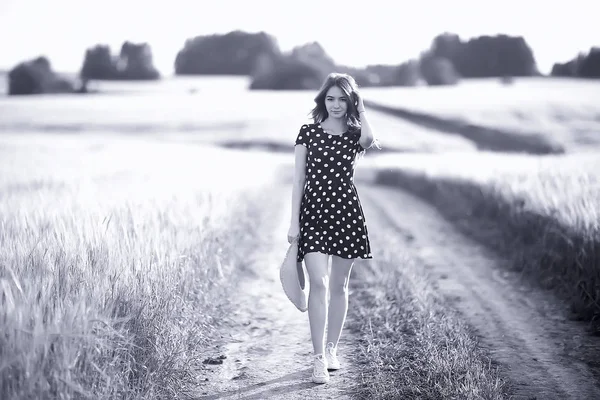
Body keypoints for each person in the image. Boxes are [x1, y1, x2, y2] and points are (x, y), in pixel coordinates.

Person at [287, 72, 380, 384]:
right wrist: (293, 221)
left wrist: (362, 106)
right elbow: (298, 180)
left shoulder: (356, 133)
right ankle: (317, 359)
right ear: (322, 100)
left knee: (339, 286)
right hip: (313, 214)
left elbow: (369, 139)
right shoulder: (308, 133)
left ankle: (331, 349)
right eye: (330, 98)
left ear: (350, 101)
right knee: (319, 283)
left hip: (346, 213)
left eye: (343, 98)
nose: (336, 104)